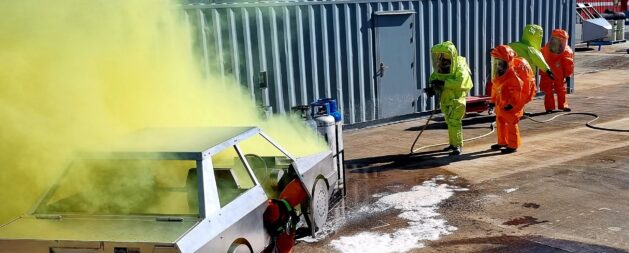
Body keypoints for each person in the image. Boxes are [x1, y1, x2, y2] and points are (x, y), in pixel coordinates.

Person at [424, 41, 473, 155]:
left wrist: (443, 83)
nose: (443, 61)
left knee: (455, 122)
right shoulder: (441, 66)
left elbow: (462, 82)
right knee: (449, 122)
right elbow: (435, 77)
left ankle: (457, 146)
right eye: (441, 57)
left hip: (456, 100)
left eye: (445, 58)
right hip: (445, 99)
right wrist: (432, 87)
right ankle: (452, 144)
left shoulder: (460, 67)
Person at [490, 45, 536, 154]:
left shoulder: (513, 76)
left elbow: (517, 92)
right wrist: (492, 101)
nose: (498, 66)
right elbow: (495, 88)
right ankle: (502, 142)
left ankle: (513, 145)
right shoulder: (499, 75)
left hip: (511, 105)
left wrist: (512, 104)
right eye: (497, 63)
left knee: (511, 123)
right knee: (500, 121)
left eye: (500, 63)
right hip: (501, 103)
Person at [540, 29, 574, 113]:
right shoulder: (545, 50)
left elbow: (568, 63)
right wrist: (568, 74)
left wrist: (568, 75)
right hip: (548, 73)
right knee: (549, 90)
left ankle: (560, 106)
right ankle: (550, 107)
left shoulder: (566, 51)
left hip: (554, 73)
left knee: (560, 89)